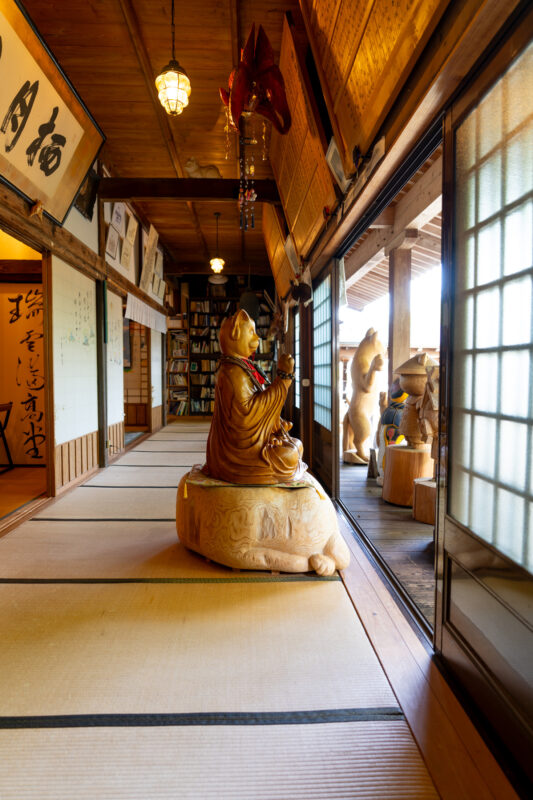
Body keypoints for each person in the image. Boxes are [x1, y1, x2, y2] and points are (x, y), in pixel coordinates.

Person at [204, 309, 305, 484]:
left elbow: (255, 408)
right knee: (291, 454)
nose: (257, 338)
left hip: (247, 445)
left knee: (296, 445)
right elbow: (246, 416)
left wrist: (275, 423)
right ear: (235, 334)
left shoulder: (240, 366)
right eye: (251, 332)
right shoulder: (233, 372)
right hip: (238, 456)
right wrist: (284, 379)